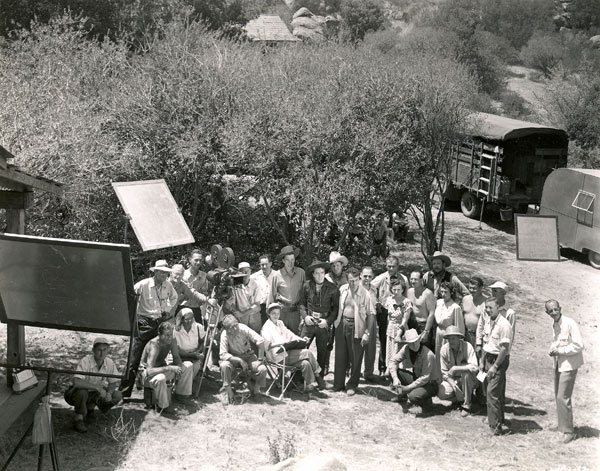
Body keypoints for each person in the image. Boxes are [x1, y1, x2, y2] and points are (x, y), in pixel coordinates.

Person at [121, 260, 178, 398]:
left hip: (159, 323)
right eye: (162, 272)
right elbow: (128, 296)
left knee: (157, 356)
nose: (164, 275)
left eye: (166, 272)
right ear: (155, 272)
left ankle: (152, 394)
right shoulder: (143, 284)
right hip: (143, 323)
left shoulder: (168, 285)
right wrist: (133, 316)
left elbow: (175, 298)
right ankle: (124, 394)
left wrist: (167, 311)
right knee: (134, 359)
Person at [261, 303, 328, 392]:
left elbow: (290, 334)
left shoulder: (280, 323)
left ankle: (309, 386)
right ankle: (318, 376)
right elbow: (267, 346)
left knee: (305, 363)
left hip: (288, 353)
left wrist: (301, 339)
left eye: (278, 313)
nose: (276, 316)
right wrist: (282, 343)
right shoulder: (266, 327)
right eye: (273, 313)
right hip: (278, 356)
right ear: (268, 314)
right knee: (307, 353)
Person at [545, 299, 584, 444]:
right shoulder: (555, 324)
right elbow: (558, 340)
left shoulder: (570, 323)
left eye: (556, 309)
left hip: (569, 364)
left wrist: (560, 350)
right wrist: (553, 349)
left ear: (560, 308)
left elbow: (578, 345)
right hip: (559, 363)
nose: (554, 312)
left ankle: (569, 432)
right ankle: (562, 426)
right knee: (558, 395)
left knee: (563, 396)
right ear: (547, 312)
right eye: (550, 311)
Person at [64, 337, 122, 433]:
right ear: (93, 350)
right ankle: (78, 419)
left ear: (108, 351)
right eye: (99, 350)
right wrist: (97, 387)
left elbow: (113, 382)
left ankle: (91, 410)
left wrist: (109, 392)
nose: (102, 353)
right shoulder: (86, 361)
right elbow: (77, 382)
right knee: (82, 392)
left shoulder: (110, 362)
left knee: (117, 395)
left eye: (105, 350)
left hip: (94, 394)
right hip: (76, 393)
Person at [332, 268, 376, 395]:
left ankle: (352, 384)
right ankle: (338, 384)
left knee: (355, 356)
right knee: (340, 355)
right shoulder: (343, 289)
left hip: (357, 326)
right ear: (347, 279)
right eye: (351, 280)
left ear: (359, 279)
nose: (353, 283)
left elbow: (371, 315)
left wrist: (367, 333)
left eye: (356, 280)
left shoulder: (365, 294)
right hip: (342, 324)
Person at [139, 322, 195, 411]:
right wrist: (169, 368)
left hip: (162, 368)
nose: (169, 337)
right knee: (161, 378)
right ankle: (163, 407)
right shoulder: (154, 345)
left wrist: (179, 367)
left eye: (171, 334)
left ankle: (181, 396)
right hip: (147, 374)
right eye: (166, 335)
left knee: (188, 365)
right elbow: (149, 371)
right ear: (159, 334)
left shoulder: (172, 340)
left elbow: (176, 357)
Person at [480, 297, 513, 435]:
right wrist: (482, 361)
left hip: (498, 360)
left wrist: (494, 366)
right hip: (487, 358)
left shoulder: (504, 325)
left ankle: (495, 428)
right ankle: (497, 419)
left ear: (498, 307)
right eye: (486, 307)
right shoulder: (488, 321)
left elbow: (504, 349)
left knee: (492, 392)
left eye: (490, 307)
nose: (488, 310)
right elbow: (486, 343)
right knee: (494, 392)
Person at [299, 260, 339, 375]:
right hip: (309, 323)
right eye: (317, 273)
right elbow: (301, 303)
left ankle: (319, 377)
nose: (319, 275)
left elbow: (335, 309)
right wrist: (305, 317)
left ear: (325, 273)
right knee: (302, 348)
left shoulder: (332, 288)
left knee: (322, 351)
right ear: (312, 274)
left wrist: (327, 321)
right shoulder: (306, 285)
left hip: (323, 324)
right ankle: (299, 376)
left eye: (322, 272)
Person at [372, 256, 409, 376]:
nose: (391, 268)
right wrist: (376, 302)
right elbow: (371, 287)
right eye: (389, 266)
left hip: (399, 312)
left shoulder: (403, 279)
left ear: (398, 266)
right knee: (384, 339)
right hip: (385, 311)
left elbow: (407, 293)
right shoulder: (382, 277)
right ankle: (383, 368)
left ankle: (398, 369)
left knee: (398, 340)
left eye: (393, 266)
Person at [219, 314, 267, 404]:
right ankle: (228, 392)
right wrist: (239, 360)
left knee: (262, 369)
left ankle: (256, 390)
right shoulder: (224, 335)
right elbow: (223, 354)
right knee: (224, 365)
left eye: (236, 325)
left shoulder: (243, 328)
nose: (235, 328)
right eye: (232, 327)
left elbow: (260, 341)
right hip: (233, 358)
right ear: (227, 329)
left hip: (248, 355)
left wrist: (260, 359)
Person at [389, 329, 440, 411]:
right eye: (411, 343)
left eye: (416, 341)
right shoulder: (406, 349)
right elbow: (393, 361)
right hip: (417, 378)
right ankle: (402, 394)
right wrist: (395, 378)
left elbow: (425, 378)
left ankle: (427, 403)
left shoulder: (428, 354)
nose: (414, 344)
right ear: (407, 344)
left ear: (419, 340)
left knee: (413, 397)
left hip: (430, 384)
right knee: (393, 372)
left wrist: (408, 388)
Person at [437, 326, 478, 415]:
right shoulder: (444, 350)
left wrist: (455, 368)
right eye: (449, 339)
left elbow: (475, 368)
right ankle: (462, 397)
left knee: (466, 374)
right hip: (454, 380)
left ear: (459, 338)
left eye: (453, 338)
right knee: (441, 392)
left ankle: (467, 405)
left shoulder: (468, 346)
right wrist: (455, 388)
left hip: (471, 379)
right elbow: (445, 374)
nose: (451, 341)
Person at [433, 282, 465, 376]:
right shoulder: (439, 303)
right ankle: (439, 380)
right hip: (439, 333)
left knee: (448, 358)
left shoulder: (455, 307)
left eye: (445, 292)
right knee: (438, 357)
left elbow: (459, 327)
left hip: (449, 335)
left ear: (451, 293)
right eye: (441, 292)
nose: (443, 294)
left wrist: (458, 342)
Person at [383, 279, 413, 375]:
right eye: (394, 289)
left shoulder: (406, 302)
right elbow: (388, 316)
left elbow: (405, 319)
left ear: (402, 289)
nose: (396, 292)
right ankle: (389, 370)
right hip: (391, 328)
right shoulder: (389, 300)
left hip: (401, 328)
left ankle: (399, 373)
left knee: (398, 352)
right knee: (390, 350)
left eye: (398, 289)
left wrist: (399, 333)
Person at [275, 245, 305, 335]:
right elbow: (272, 295)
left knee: (295, 337)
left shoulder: (301, 273)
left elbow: (306, 293)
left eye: (292, 259)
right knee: (281, 336)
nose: (290, 262)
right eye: (288, 260)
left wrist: (304, 313)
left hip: (296, 311)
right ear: (283, 260)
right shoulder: (277, 275)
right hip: (282, 311)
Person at [250, 254, 287, 324]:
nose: (264, 267)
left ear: (270, 264)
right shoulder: (254, 277)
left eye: (266, 264)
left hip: (274, 306)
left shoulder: (277, 275)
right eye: (262, 265)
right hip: (260, 308)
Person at [173, 308, 205, 387]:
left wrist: (199, 351)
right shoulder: (176, 330)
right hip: (181, 355)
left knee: (196, 366)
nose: (190, 321)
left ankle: (186, 386)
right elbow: (176, 350)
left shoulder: (198, 327)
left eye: (191, 318)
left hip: (195, 354)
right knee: (187, 366)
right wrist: (193, 355)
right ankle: (183, 388)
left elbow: (203, 342)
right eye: (187, 319)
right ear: (182, 319)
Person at [406, 271, 436, 349]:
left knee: (424, 351)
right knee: (412, 350)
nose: (413, 281)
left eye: (415, 279)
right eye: (411, 279)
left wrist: (426, 331)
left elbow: (431, 313)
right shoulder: (409, 292)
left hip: (423, 325)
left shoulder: (427, 293)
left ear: (421, 280)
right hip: (412, 325)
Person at [181, 249, 211, 324]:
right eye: (196, 260)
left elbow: (205, 293)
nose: (198, 263)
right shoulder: (183, 275)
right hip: (184, 310)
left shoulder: (204, 276)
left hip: (198, 310)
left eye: (200, 260)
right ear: (190, 260)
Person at [360, 266, 378, 381]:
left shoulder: (374, 289)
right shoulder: (356, 288)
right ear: (361, 275)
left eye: (369, 276)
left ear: (373, 277)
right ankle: (352, 371)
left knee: (371, 347)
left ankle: (368, 373)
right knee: (357, 346)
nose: (367, 278)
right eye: (365, 276)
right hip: (359, 319)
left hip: (371, 318)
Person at [461, 277, 487, 348]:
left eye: (474, 288)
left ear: (481, 288)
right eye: (470, 288)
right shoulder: (465, 299)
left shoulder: (486, 302)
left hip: (479, 337)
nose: (471, 290)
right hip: (465, 335)